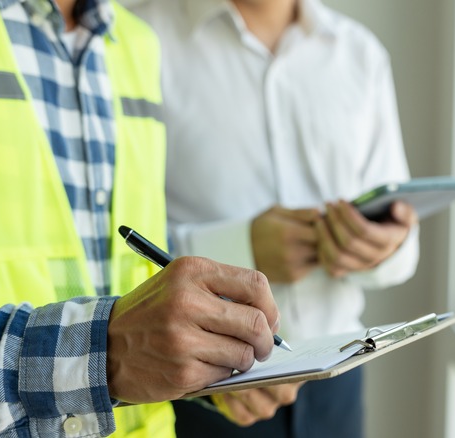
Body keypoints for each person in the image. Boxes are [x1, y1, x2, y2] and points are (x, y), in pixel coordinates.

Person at [0, 0, 285, 436]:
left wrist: (201, 353)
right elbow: (112, 340)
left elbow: (120, 281)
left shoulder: (135, 44)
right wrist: (101, 353)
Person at [128, 0, 420, 436]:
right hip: (206, 383)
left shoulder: (361, 53)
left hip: (338, 383)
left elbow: (402, 239)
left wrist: (382, 249)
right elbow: (114, 236)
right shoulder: (138, 38)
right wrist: (241, 248)